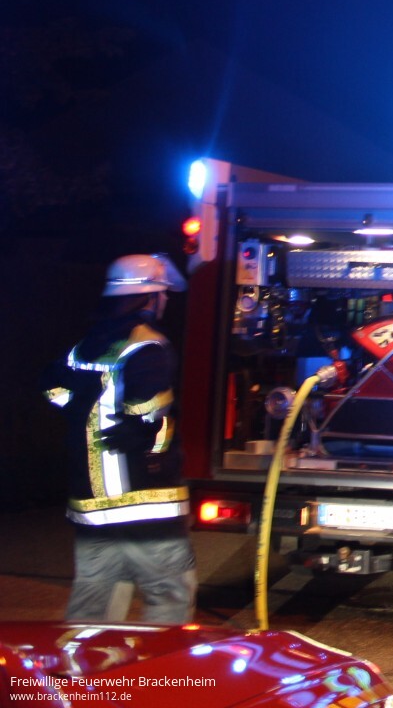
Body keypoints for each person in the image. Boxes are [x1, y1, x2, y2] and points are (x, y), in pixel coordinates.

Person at [40, 253, 197, 624]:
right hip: (145, 500)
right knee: (169, 593)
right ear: (150, 297)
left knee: (94, 601)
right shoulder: (148, 346)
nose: (166, 300)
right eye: (163, 293)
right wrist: (156, 443)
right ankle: (164, 664)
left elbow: (53, 388)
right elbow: (151, 415)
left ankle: (85, 661)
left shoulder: (84, 346)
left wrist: (82, 413)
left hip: (92, 503)